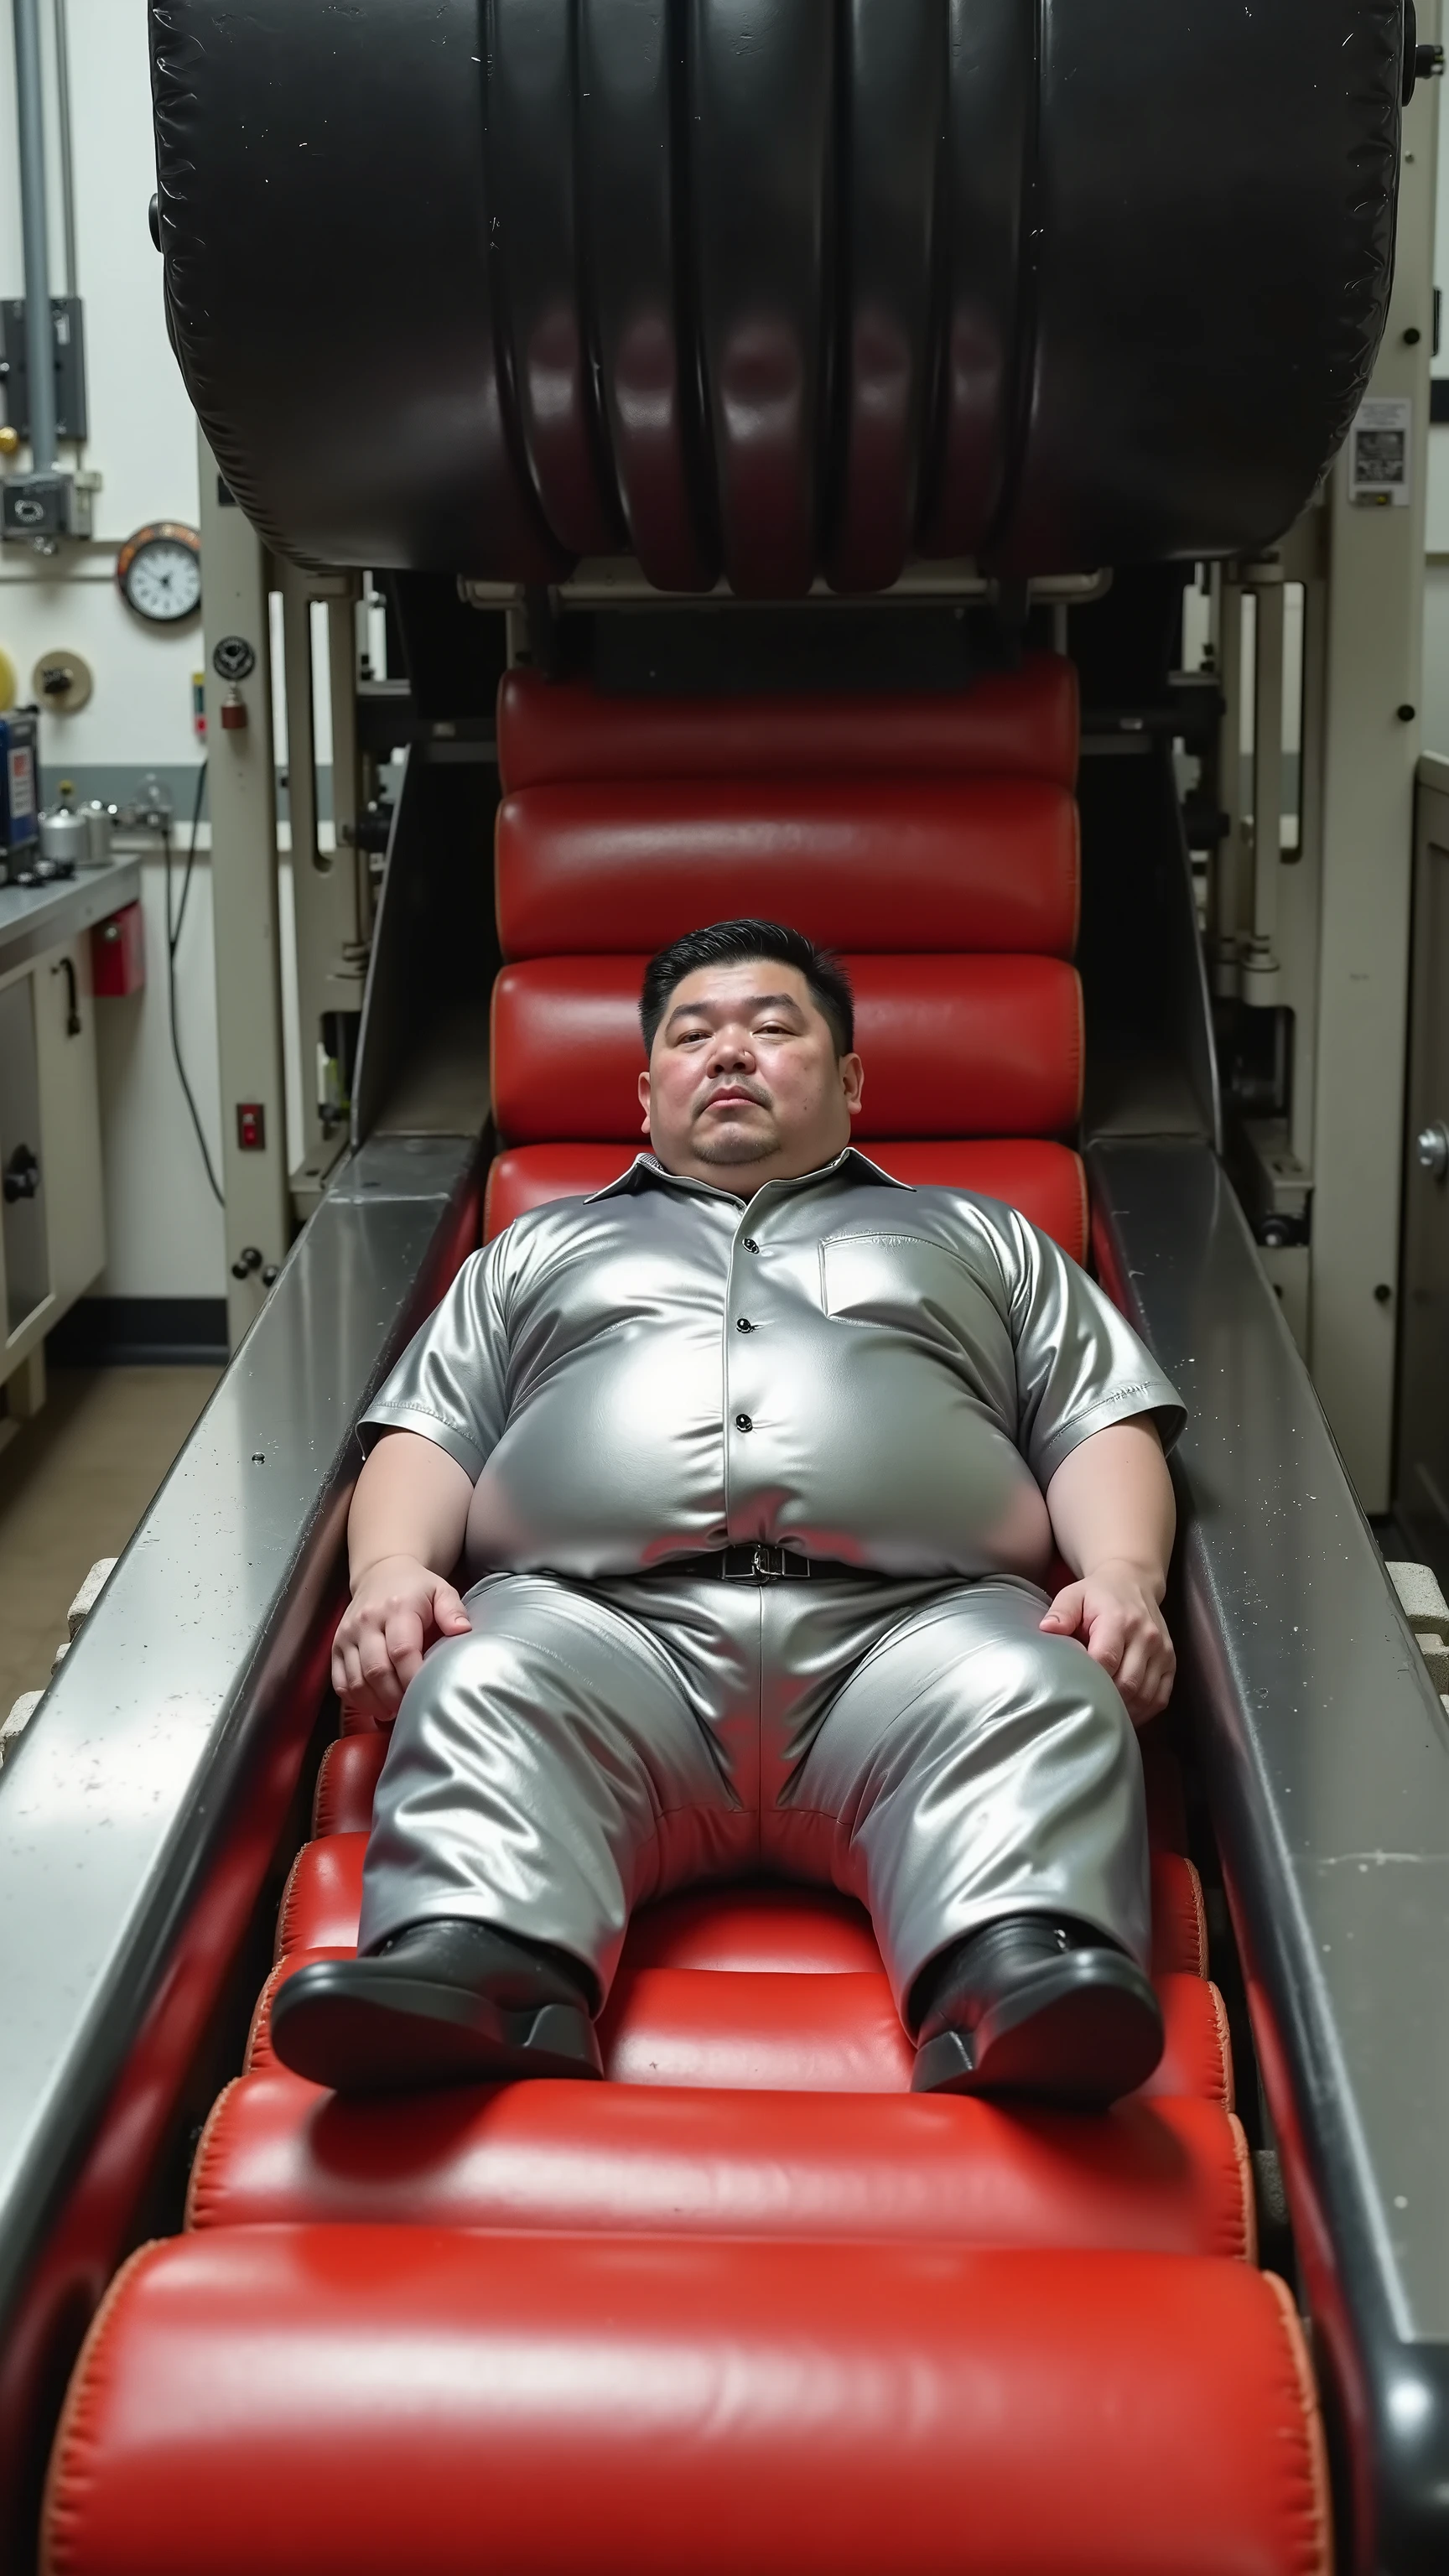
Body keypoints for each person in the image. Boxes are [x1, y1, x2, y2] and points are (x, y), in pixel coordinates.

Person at [273, 919, 1184, 2107]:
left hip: (916, 1635)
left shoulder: (982, 1238)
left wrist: (1123, 1574)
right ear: (646, 1093)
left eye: (773, 1028)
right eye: (692, 1037)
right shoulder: (533, 1249)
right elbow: (430, 1434)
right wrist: (392, 1568)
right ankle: (479, 1967)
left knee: (1035, 1687)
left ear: (850, 1081)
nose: (731, 1055)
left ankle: (1017, 1976)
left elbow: (1094, 1419)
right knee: (485, 1677)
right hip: (597, 1635)